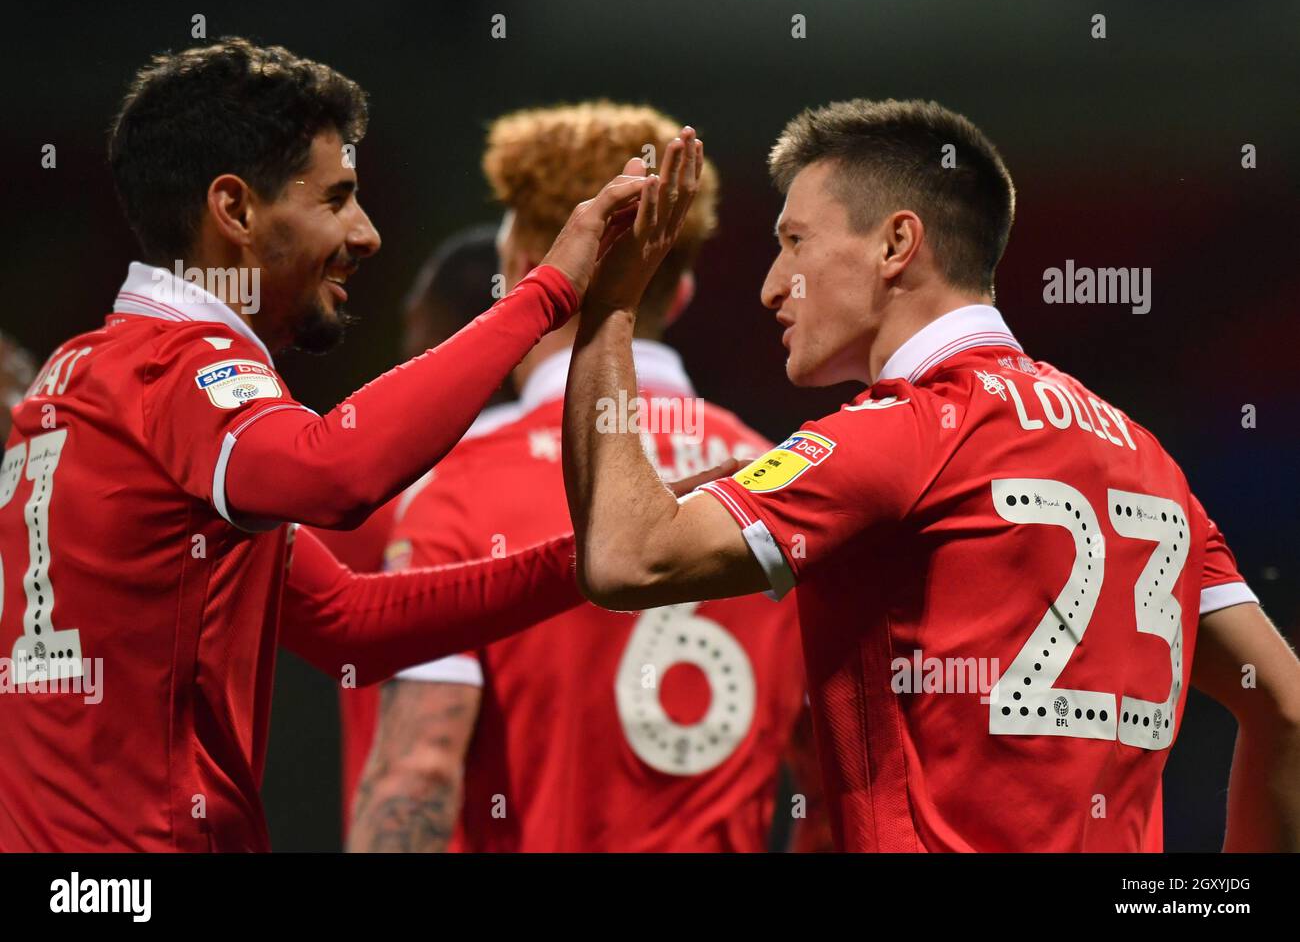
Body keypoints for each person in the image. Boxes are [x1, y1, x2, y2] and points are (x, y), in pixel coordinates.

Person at [0, 38, 686, 851]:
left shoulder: (84, 371)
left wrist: (606, 553)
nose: (366, 236)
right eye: (335, 199)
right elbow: (340, 471)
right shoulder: (177, 370)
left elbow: (349, 622)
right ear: (236, 210)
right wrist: (549, 291)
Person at [562, 102, 1300, 851]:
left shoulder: (902, 434)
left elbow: (627, 558)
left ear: (896, 243)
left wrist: (612, 309)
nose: (772, 286)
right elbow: (1287, 709)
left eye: (795, 242)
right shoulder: (1149, 460)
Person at [346, 102, 813, 852]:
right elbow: (832, 791)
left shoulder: (460, 487)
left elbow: (420, 772)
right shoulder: (786, 484)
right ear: (682, 289)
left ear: (520, 273)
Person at [312, 224, 520, 832]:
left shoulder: (391, 495)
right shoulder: (604, 486)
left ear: (446, 342)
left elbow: (219, 518)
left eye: (416, 331)